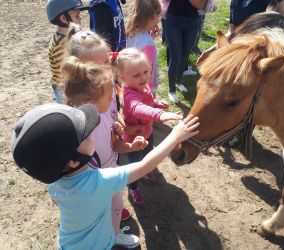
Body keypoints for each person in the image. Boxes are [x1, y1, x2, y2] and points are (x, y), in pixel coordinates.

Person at [11, 102, 199, 250]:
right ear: (74, 161)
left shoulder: (54, 180)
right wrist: (175, 136)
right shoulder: (99, 182)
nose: (91, 133)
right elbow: (144, 166)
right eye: (85, 136)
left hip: (68, 244)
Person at [61, 55, 150, 248]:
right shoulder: (76, 131)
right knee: (99, 216)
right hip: (93, 182)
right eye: (109, 96)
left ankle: (115, 234)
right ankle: (104, 240)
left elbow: (114, 145)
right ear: (89, 101)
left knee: (117, 205)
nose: (113, 101)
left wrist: (130, 146)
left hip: (110, 169)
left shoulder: (106, 116)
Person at [114, 48, 183, 207]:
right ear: (123, 78)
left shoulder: (143, 87)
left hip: (148, 132)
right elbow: (138, 108)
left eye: (146, 72)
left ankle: (145, 171)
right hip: (134, 140)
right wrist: (158, 114)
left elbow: (148, 101)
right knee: (134, 165)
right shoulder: (130, 95)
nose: (143, 77)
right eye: (136, 75)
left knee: (148, 154)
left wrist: (157, 104)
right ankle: (133, 187)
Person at [46, 0, 89, 103]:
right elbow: (68, 72)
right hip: (65, 88)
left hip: (70, 84)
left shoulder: (70, 37)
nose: (80, 18)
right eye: (77, 16)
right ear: (64, 18)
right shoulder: (60, 44)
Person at [164, 0, 207, 103]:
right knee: (176, 57)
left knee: (185, 55)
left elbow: (200, 5)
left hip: (192, 21)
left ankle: (178, 82)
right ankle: (172, 91)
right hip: (173, 19)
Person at [126, 0, 162, 92]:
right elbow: (146, 71)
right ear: (154, 15)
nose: (158, 20)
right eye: (159, 16)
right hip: (145, 87)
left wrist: (150, 37)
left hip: (133, 82)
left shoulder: (132, 32)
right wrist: (148, 92)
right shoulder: (147, 42)